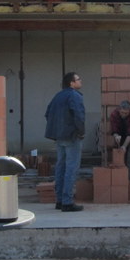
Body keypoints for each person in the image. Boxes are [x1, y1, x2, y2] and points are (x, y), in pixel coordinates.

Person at [45, 72, 85, 212]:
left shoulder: (58, 96)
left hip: (59, 137)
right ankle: (67, 202)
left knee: (60, 168)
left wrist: (58, 130)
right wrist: (81, 132)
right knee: (71, 169)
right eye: (78, 79)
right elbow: (79, 116)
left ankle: (60, 201)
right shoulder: (75, 96)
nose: (81, 81)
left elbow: (48, 113)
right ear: (71, 83)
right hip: (71, 137)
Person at [109, 100, 130, 180]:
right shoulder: (114, 114)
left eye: (126, 113)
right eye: (122, 112)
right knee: (121, 160)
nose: (124, 115)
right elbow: (114, 129)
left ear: (129, 110)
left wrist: (124, 146)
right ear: (119, 109)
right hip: (121, 136)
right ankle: (122, 181)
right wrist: (116, 136)